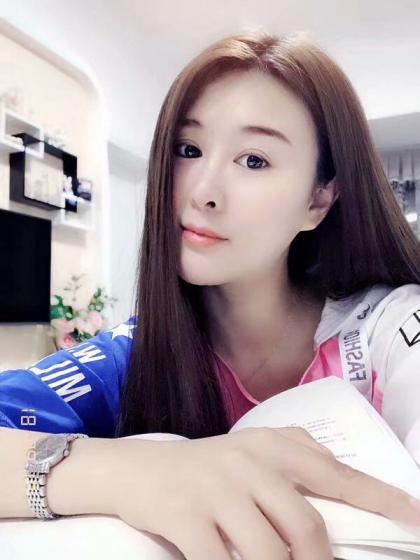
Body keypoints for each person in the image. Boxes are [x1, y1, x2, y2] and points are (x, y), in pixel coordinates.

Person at [2, 29, 420, 560]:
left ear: (318, 200)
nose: (202, 192)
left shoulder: (387, 329)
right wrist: (127, 471)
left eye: (254, 160)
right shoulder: (131, 358)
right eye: (189, 149)